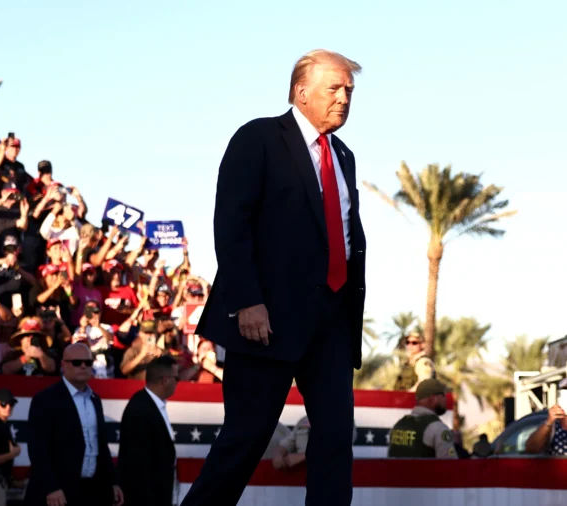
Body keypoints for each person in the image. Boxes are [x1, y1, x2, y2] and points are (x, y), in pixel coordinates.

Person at [182, 49, 367, 506]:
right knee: (245, 439)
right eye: (335, 88)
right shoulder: (259, 137)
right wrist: (246, 300)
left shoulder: (343, 155)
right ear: (301, 92)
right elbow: (232, 222)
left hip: (333, 322)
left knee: (334, 441)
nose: (344, 98)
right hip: (267, 319)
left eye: (350, 91)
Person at [25, 343, 124, 506]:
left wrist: (112, 481)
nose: (83, 366)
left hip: (90, 490)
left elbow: (100, 446)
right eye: (77, 362)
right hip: (58, 492)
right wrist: (51, 487)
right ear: (63, 365)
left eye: (88, 362)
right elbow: (38, 448)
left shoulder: (95, 399)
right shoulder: (45, 399)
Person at [117, 355, 178, 506]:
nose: (178, 383)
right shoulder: (140, 409)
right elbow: (137, 466)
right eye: (176, 378)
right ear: (165, 380)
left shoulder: (152, 405)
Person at [387, 379, 457, 459]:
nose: (446, 399)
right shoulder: (438, 428)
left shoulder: (399, 425)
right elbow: (451, 467)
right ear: (433, 399)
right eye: (443, 395)